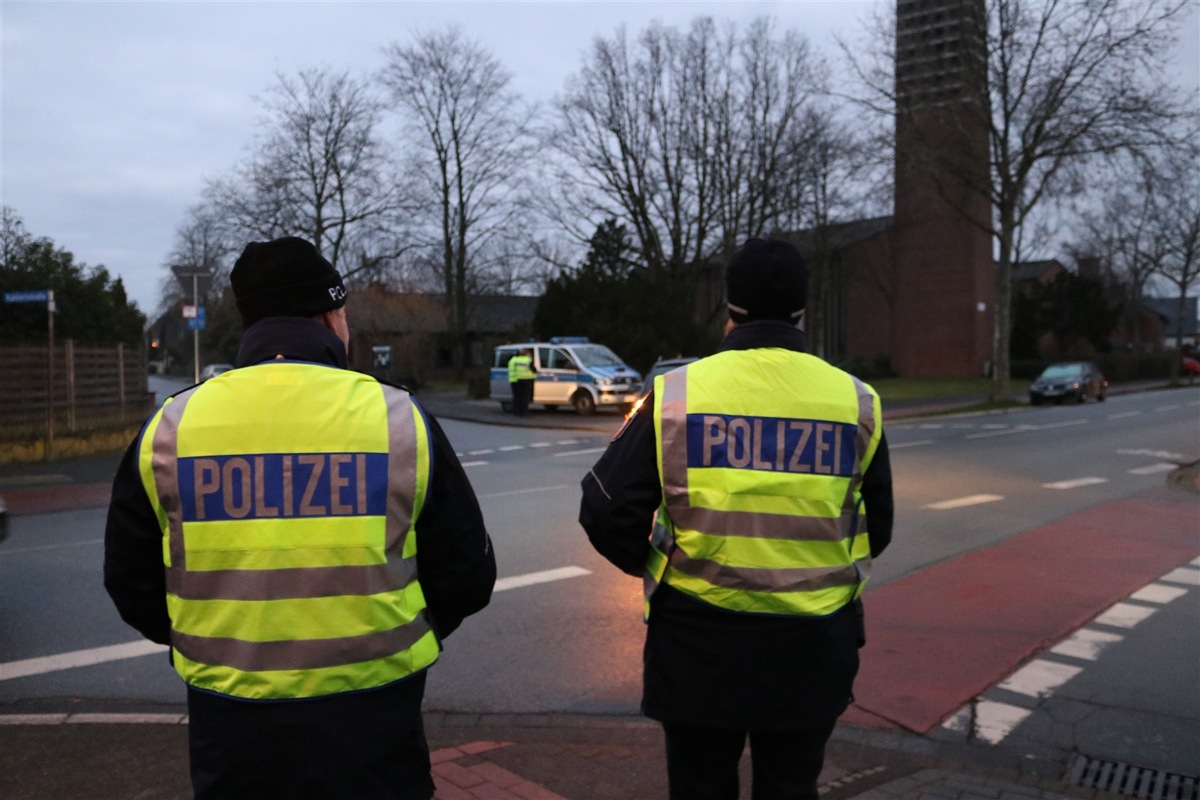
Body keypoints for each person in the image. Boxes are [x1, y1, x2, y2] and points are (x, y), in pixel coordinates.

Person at [104, 236, 496, 800]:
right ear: (332, 315)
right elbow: (467, 573)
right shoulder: (399, 419)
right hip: (375, 728)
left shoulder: (171, 427)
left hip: (231, 730)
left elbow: (130, 580)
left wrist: (215, 647)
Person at [579, 237, 893, 800]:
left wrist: (663, 568)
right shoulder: (857, 401)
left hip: (700, 646)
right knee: (792, 786)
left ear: (731, 307)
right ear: (804, 309)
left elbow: (604, 509)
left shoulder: (676, 394)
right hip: (812, 649)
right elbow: (880, 528)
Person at [507, 347, 537, 416]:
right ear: (526, 353)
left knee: (517, 397)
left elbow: (511, 370)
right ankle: (524, 412)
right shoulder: (528, 360)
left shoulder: (513, 360)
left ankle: (516, 412)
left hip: (515, 381)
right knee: (525, 397)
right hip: (526, 380)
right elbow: (534, 370)